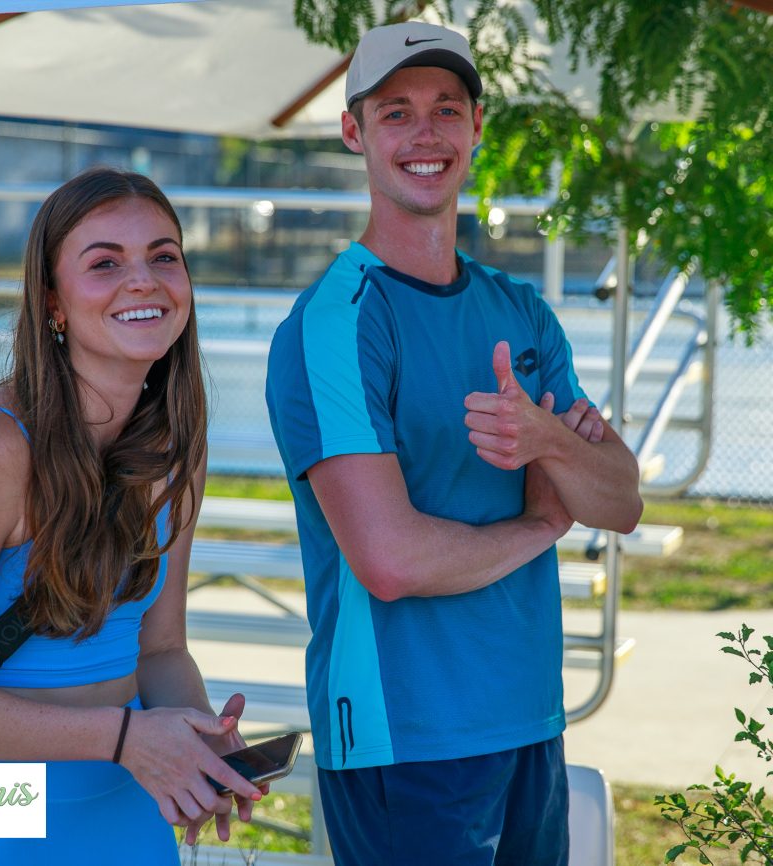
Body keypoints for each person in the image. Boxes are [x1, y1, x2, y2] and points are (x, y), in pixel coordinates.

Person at [265, 22, 644, 866]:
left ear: (477, 126)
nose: (425, 133)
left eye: (446, 108)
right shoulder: (335, 325)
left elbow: (619, 500)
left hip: (529, 719)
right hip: (406, 735)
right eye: (395, 112)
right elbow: (391, 561)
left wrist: (548, 437)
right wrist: (543, 523)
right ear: (355, 133)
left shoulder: (521, 313)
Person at [0, 167, 262, 864]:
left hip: (130, 821)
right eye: (104, 262)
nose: (142, 280)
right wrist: (125, 738)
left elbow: (160, 649)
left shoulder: (175, 447)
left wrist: (201, 746)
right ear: (53, 303)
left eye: (164, 257)